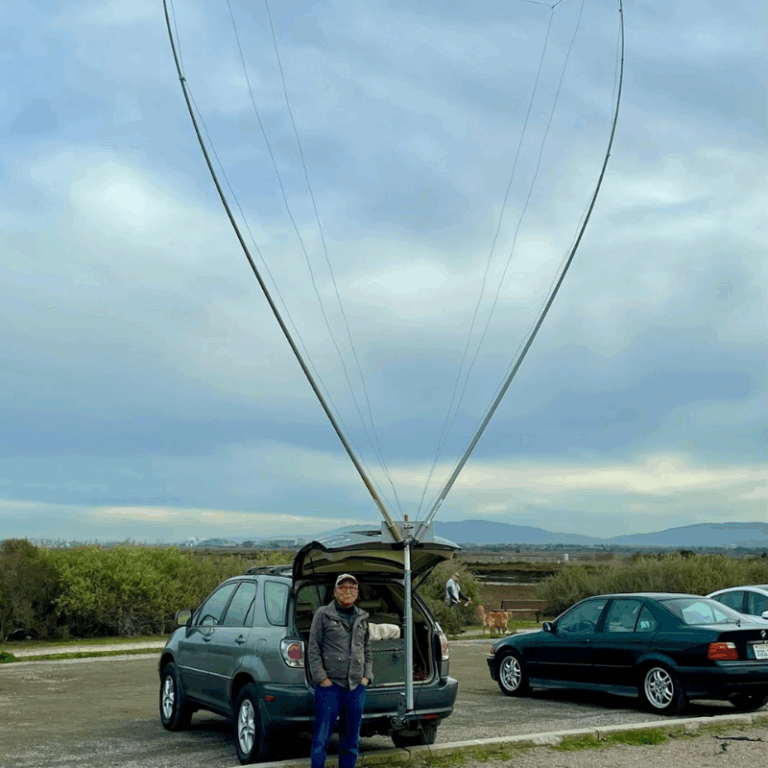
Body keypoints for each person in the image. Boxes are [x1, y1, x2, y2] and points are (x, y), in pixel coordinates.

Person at [307, 573, 373, 768]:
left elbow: (367, 650)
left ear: (357, 593)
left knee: (351, 740)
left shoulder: (362, 617)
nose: (348, 591)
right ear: (335, 591)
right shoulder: (323, 614)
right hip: (330, 687)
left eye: (352, 588)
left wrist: (366, 677)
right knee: (321, 739)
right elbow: (313, 649)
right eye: (343, 587)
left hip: (356, 688)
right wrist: (322, 679)